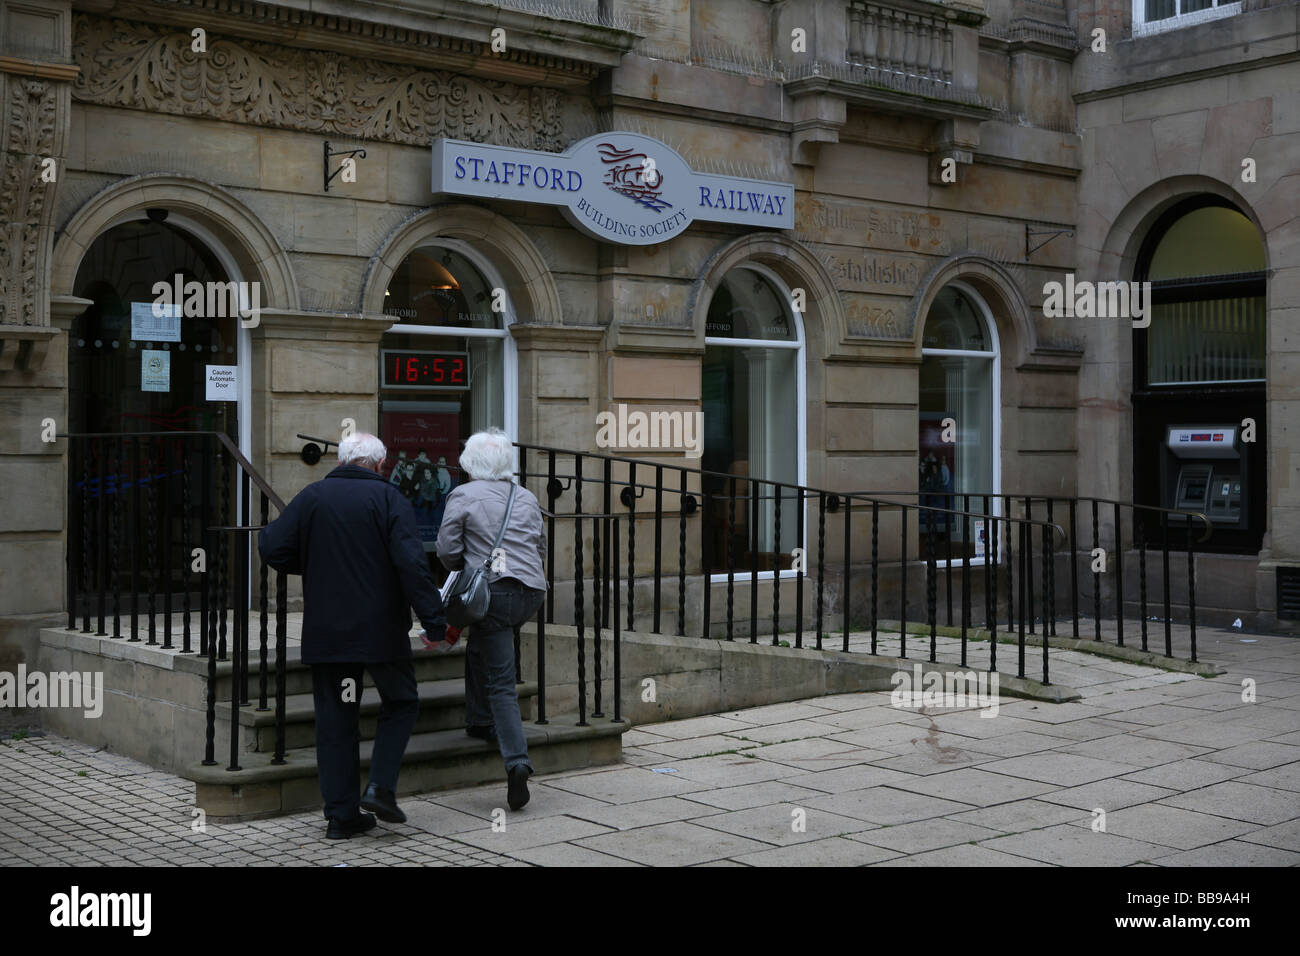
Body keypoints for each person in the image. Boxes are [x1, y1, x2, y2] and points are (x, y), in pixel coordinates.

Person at [258, 432, 446, 839]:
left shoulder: (312, 497)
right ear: (380, 465)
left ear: (343, 461)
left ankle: (341, 816)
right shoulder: (390, 499)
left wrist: (312, 562)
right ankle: (379, 787)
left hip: (330, 631)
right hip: (381, 631)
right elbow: (412, 565)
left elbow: (272, 547)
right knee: (401, 700)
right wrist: (435, 623)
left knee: (337, 717)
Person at [433, 427, 547, 811]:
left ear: (470, 464)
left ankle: (517, 762)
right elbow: (539, 545)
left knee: (501, 681)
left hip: (492, 594)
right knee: (482, 644)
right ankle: (478, 720)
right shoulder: (526, 496)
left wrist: (465, 564)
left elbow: (447, 552)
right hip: (531, 591)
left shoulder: (463, 494)